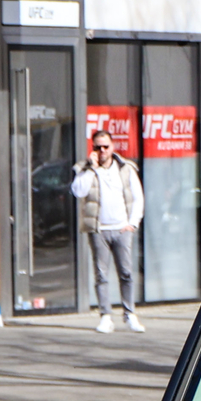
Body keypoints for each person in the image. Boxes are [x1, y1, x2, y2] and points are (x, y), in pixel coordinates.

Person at [71, 126, 146, 334]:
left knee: (126, 272)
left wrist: (133, 223)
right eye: (98, 147)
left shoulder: (125, 168)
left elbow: (138, 197)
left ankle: (130, 313)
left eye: (106, 146)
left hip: (122, 229)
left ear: (112, 147)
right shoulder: (84, 169)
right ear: (93, 148)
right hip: (99, 229)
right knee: (101, 274)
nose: (102, 150)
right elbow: (78, 191)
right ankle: (105, 316)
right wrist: (91, 168)